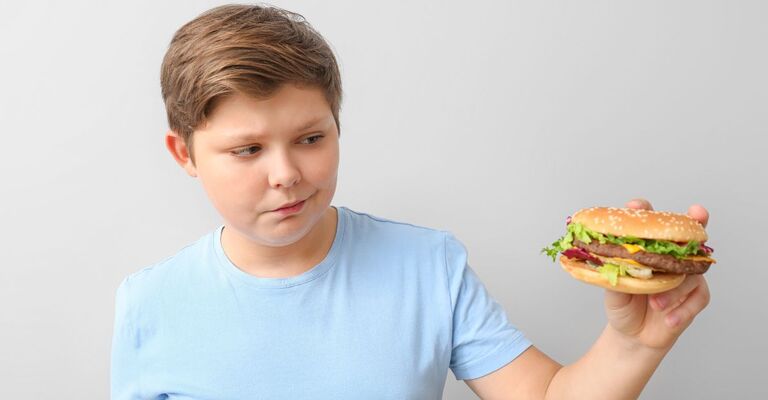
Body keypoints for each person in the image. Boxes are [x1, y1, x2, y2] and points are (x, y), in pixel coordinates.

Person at [110, 4, 711, 399]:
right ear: (184, 154)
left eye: (311, 138)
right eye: (246, 150)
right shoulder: (150, 303)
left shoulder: (428, 265)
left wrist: (634, 342)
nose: (286, 174)